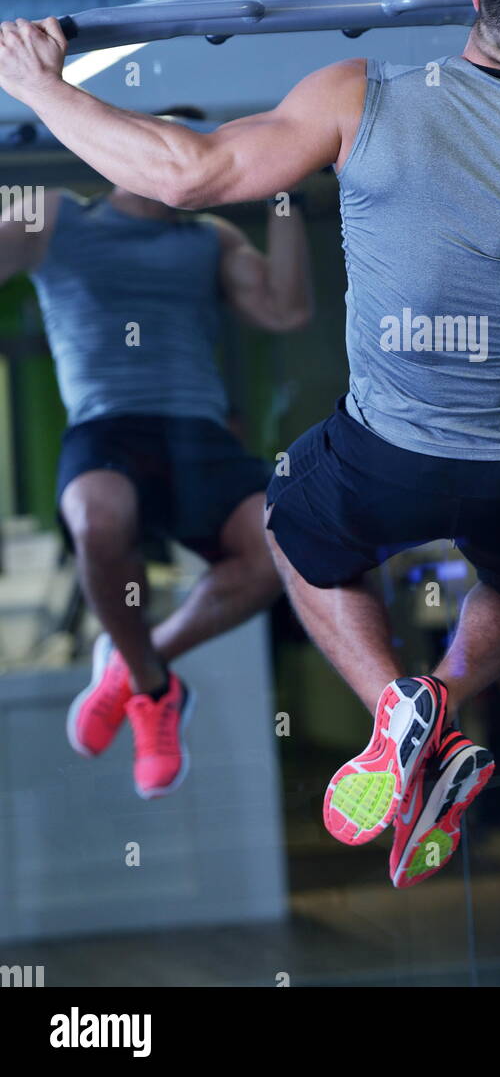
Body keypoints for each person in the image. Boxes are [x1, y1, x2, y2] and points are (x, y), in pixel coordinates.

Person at [0, 0, 500, 884]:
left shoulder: (357, 98)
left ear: (474, 1)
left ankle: (402, 715)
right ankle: (441, 700)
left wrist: (38, 86)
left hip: (384, 459)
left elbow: (187, 173)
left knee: (286, 527)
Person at [0, 128, 313, 799]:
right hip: (107, 425)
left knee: (283, 544)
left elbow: (285, 311)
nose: (182, 167)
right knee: (96, 518)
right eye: (167, 149)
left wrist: (286, 196)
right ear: (125, 151)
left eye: (196, 155)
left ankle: (138, 668)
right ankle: (150, 686)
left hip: (198, 429)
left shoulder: (213, 239)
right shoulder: (56, 212)